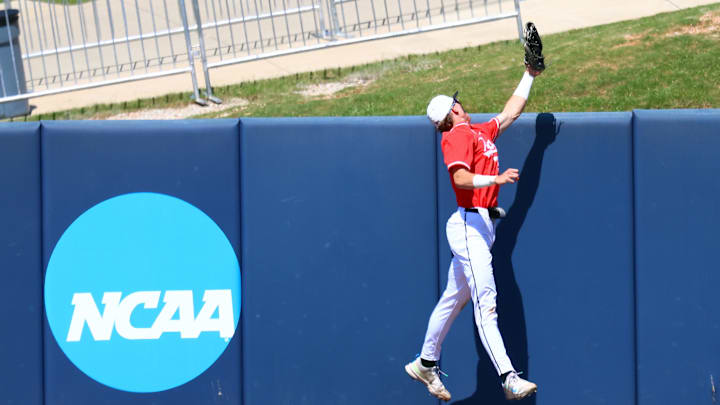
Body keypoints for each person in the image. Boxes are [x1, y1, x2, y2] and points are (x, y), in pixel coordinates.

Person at [405, 65, 542, 402]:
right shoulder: (456, 136)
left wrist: (530, 74)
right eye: (458, 102)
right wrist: (495, 181)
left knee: (452, 300)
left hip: (479, 225)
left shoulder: (479, 131)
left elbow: (510, 113)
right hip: (468, 225)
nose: (461, 104)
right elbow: (461, 180)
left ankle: (425, 362)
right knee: (486, 304)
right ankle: (508, 377)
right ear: (453, 111)